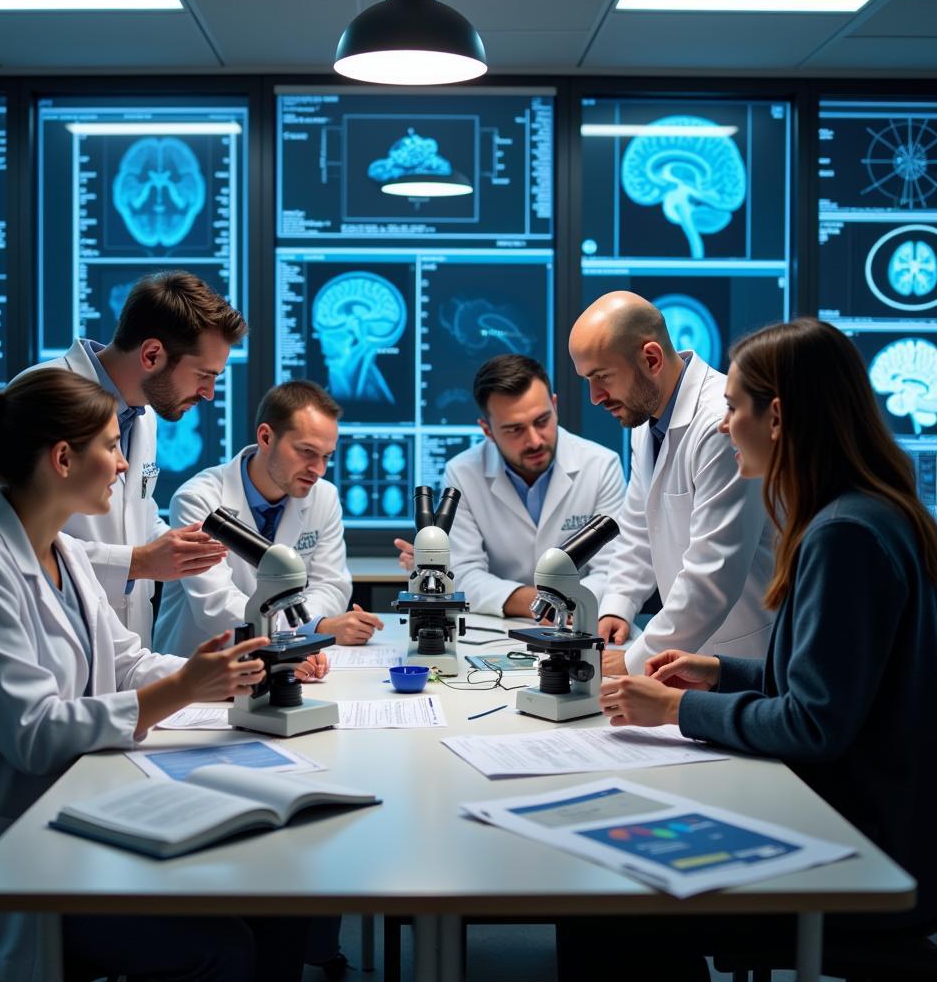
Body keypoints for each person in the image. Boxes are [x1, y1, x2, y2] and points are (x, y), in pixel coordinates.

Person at [0, 369, 317, 982]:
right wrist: (183, 690)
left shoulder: (64, 552)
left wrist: (221, 673)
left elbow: (126, 660)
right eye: (110, 446)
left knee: (270, 902)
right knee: (221, 948)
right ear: (63, 459)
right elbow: (34, 733)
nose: (125, 466)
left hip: (66, 817)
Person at [591, 318, 937, 973]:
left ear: (775, 417)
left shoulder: (843, 538)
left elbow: (812, 723)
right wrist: (719, 672)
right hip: (867, 815)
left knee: (615, 893)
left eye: (732, 407)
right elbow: (832, 685)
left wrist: (672, 710)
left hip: (853, 848)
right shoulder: (864, 513)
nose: (722, 425)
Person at [0, 270, 247, 644]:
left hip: (116, 647)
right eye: (204, 375)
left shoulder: (144, 414)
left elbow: (133, 509)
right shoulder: (48, 398)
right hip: (39, 638)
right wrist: (137, 562)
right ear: (152, 354)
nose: (209, 393)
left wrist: (176, 544)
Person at [569, 291, 775, 676]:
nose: (595, 398)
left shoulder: (720, 424)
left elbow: (712, 574)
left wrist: (631, 662)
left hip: (741, 652)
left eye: (602, 378)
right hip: (687, 649)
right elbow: (638, 528)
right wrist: (618, 605)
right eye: (587, 381)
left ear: (650, 359)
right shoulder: (644, 420)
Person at [155, 379, 379, 657]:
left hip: (283, 663)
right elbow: (215, 606)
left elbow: (331, 585)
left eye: (327, 457)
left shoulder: (324, 497)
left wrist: (298, 634)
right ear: (266, 437)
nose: (319, 469)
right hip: (201, 671)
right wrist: (313, 629)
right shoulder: (198, 500)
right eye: (307, 452)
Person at [394, 355, 625, 618]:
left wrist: (566, 608)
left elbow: (612, 570)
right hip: (499, 626)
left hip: (580, 622)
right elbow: (464, 573)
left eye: (542, 421)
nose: (535, 440)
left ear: (555, 405)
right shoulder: (462, 474)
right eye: (514, 429)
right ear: (487, 430)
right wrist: (544, 604)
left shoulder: (601, 465)